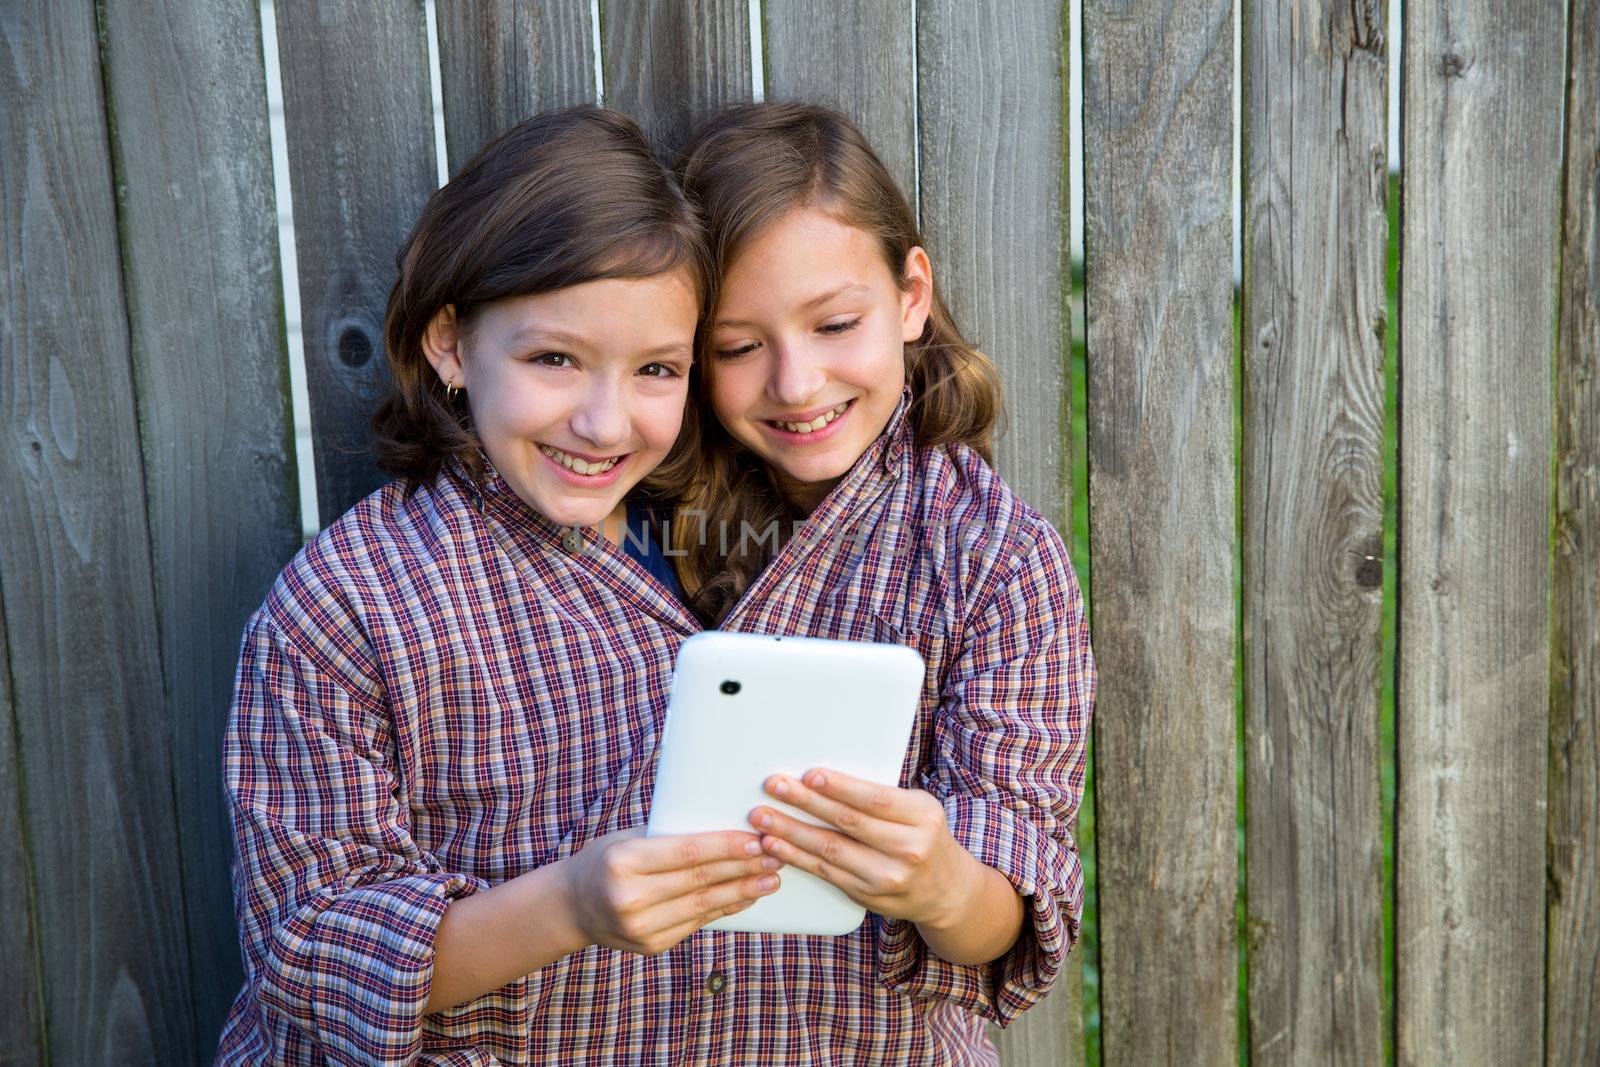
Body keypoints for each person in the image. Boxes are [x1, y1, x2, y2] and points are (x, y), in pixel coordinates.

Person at [214, 107, 782, 1065]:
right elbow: (305, 948)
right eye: (553, 358)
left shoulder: (731, 550)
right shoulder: (345, 606)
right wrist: (568, 903)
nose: (604, 423)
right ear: (448, 342)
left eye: (655, 369)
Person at [667, 102, 1097, 1062]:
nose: (796, 381)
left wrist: (938, 879)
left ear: (910, 295)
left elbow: (1009, 912)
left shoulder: (994, 560)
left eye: (835, 323)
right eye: (738, 347)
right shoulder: (632, 515)